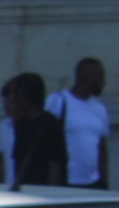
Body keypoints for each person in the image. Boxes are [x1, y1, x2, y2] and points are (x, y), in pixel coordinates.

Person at [45, 57, 111, 190]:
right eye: (100, 76)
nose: (104, 82)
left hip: (93, 183)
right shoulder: (58, 101)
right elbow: (46, 141)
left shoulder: (100, 109)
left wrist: (104, 181)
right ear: (87, 77)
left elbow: (102, 147)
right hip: (66, 181)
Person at [0, 73, 68, 190]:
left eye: (17, 94)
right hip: (24, 189)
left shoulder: (50, 124)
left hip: (44, 191)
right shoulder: (20, 124)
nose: (14, 99)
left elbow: (55, 164)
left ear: (29, 96)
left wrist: (51, 193)